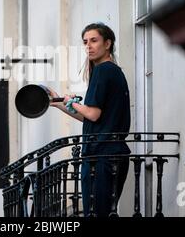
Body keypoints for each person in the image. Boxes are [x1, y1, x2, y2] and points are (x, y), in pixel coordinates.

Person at [49, 22, 131, 217]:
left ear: (108, 43)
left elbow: (93, 113)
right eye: (85, 42)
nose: (89, 46)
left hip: (100, 155)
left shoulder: (103, 70)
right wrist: (59, 102)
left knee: (95, 214)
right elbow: (91, 118)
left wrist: (71, 101)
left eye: (94, 40)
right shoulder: (114, 72)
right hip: (111, 153)